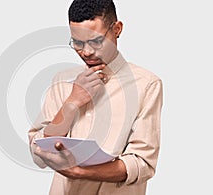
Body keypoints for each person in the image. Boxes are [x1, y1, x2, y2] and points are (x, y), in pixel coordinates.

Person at [28, 0, 163, 194]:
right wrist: (72, 102)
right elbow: (38, 154)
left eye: (96, 41)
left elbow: (142, 163)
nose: (87, 52)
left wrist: (79, 171)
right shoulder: (63, 82)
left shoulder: (146, 85)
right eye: (78, 43)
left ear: (117, 29)